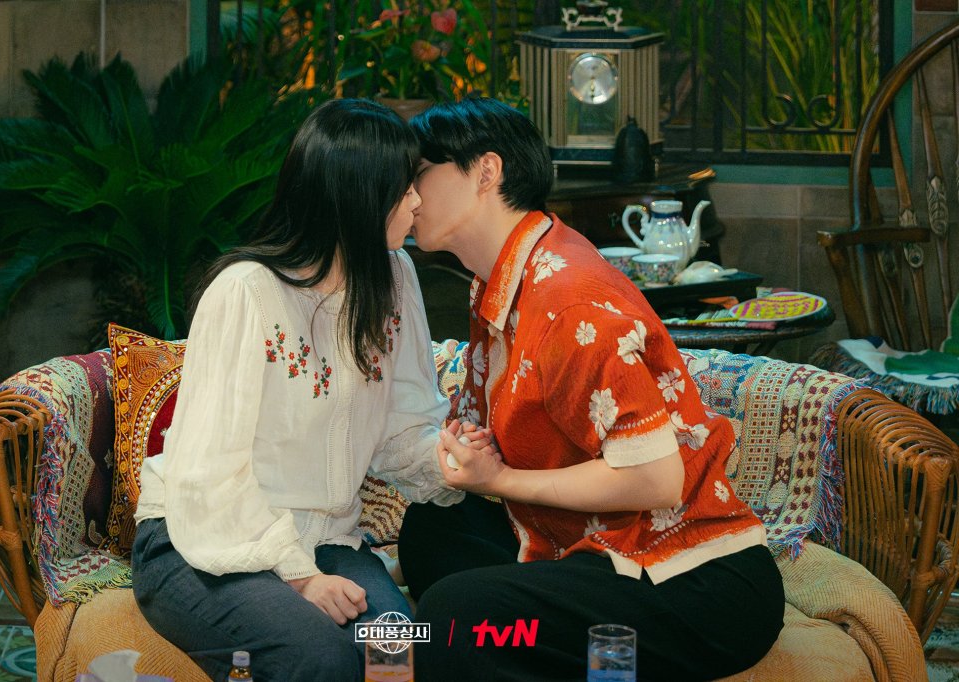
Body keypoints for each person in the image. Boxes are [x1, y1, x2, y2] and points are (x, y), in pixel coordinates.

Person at [397, 98, 785, 681]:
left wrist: (499, 480)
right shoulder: (501, 277)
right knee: (433, 526)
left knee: (454, 614)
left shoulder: (567, 299)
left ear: (485, 172)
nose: (408, 194)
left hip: (691, 579)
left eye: (420, 172)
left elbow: (656, 479)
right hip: (588, 541)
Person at [130, 98, 491, 682]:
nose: (417, 201)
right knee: (318, 659)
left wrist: (451, 460)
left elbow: (402, 427)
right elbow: (210, 472)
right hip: (205, 540)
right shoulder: (245, 292)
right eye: (402, 187)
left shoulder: (394, 278)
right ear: (357, 196)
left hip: (329, 540)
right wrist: (300, 577)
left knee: (397, 652)